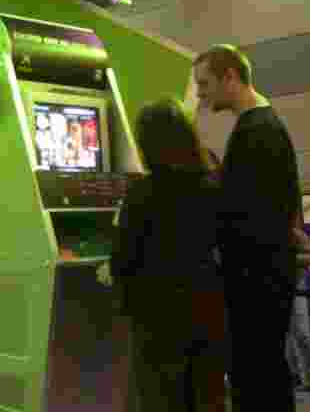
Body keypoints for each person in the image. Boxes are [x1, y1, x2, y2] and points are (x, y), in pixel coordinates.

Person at [193, 45, 301, 412]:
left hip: (257, 280)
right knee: (265, 372)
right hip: (264, 276)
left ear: (230, 77)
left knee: (258, 376)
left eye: (205, 84)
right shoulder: (260, 126)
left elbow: (249, 216)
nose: (201, 93)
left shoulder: (259, 131)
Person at [111, 97, 226, 412]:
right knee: (208, 398)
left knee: (162, 400)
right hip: (208, 313)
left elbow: (123, 261)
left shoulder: (141, 195)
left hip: (157, 323)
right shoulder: (212, 187)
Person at [286, 212, 310, 391]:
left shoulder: (297, 235)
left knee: (302, 332)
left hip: (296, 287)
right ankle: (294, 375)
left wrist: (285, 259)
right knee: (286, 336)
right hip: (272, 288)